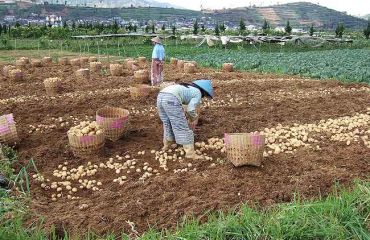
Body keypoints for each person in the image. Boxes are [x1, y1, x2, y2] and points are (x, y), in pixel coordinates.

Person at [157, 80, 214, 159]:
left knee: (167, 123)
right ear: (204, 92)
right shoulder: (198, 92)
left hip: (161, 95)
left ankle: (167, 146)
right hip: (171, 98)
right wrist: (193, 117)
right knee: (181, 125)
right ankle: (190, 154)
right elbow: (190, 109)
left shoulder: (187, 88)